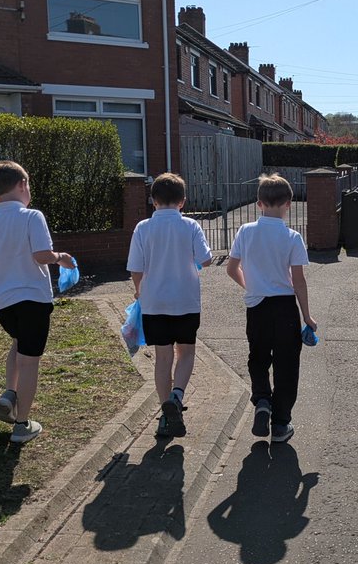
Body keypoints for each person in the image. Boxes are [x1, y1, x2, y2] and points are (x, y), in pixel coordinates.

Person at [0, 160, 76, 444]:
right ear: (22, 185)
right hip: (32, 299)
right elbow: (42, 255)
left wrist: (2, 260)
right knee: (30, 361)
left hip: (2, 303)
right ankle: (22, 424)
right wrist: (60, 257)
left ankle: (9, 393)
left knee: (19, 343)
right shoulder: (32, 216)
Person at [226, 174, 316, 444]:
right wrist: (307, 316)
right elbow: (298, 280)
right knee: (287, 365)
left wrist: (251, 286)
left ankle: (262, 398)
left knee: (258, 357)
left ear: (258, 204)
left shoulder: (246, 231)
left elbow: (232, 269)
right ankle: (280, 424)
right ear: (288, 204)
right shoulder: (292, 237)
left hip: (257, 306)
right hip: (285, 307)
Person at [127, 172, 213, 439]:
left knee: (163, 358)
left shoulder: (143, 228)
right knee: (186, 352)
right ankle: (177, 396)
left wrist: (139, 291)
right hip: (186, 301)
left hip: (154, 303)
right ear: (182, 202)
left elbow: (136, 268)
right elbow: (206, 259)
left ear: (153, 201)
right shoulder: (190, 226)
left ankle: (165, 416)